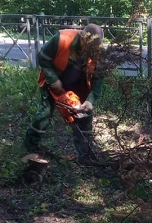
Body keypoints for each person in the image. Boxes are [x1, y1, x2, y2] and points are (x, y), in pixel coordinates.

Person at [23, 23, 107, 166]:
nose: (92, 51)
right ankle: (29, 147)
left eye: (95, 48)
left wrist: (91, 100)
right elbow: (42, 58)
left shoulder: (99, 52)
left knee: (84, 117)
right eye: (89, 47)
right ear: (82, 38)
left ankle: (85, 155)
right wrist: (53, 78)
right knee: (44, 114)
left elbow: (98, 79)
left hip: (78, 85)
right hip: (54, 82)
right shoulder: (62, 39)